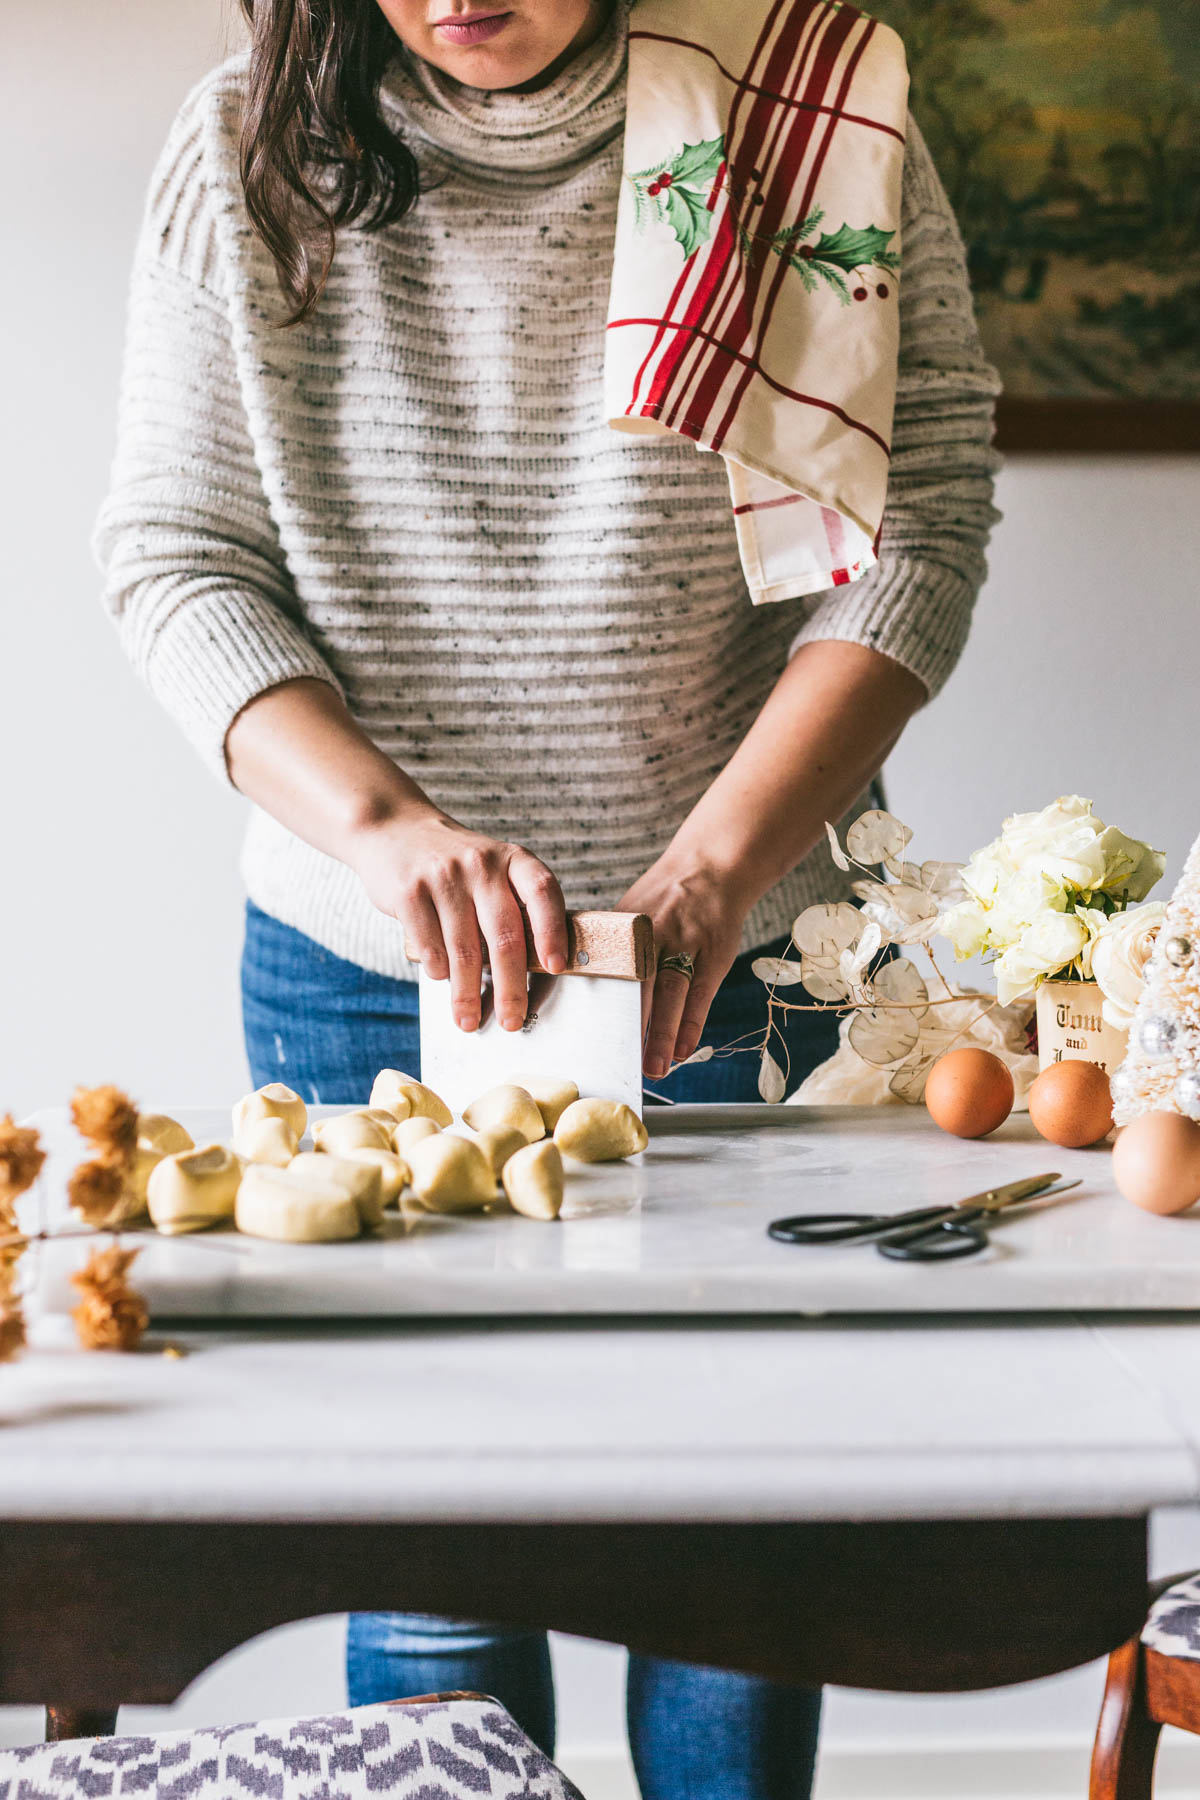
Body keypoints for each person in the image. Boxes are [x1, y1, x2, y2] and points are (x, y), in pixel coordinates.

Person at [93, 0, 1001, 1792]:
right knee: (437, 1576)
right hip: (370, 967)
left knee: (737, 1561)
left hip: (761, 948)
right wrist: (384, 832)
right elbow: (175, 555)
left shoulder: (813, 107)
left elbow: (922, 521)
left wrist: (725, 864)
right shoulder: (236, 151)